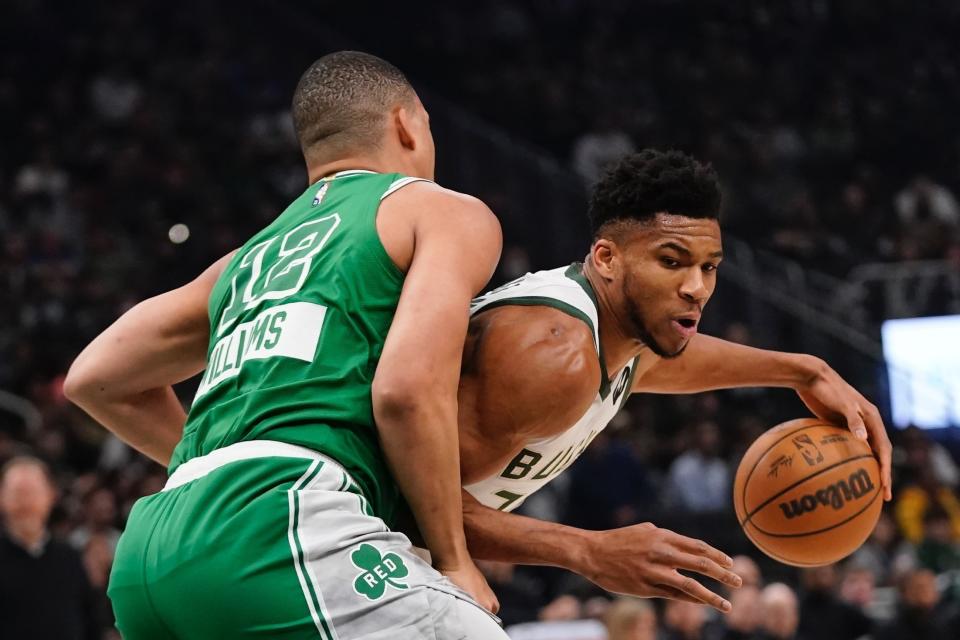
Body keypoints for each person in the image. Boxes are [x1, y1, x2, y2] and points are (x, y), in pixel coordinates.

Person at [65, 51, 507, 639]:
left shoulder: (244, 260)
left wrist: (222, 469)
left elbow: (93, 378)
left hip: (152, 547)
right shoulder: (441, 210)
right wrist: (454, 559)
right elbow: (405, 389)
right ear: (407, 123)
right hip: (281, 523)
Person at [452, 150, 892, 613]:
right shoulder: (555, 358)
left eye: (709, 266)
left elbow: (660, 363)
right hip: (377, 539)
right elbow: (401, 493)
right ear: (606, 258)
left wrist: (805, 370)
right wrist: (587, 551)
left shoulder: (614, 332)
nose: (696, 287)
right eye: (671, 261)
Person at [0, 456, 102, 640]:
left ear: (51, 495)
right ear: (2, 497)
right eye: (17, 493)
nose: (26, 503)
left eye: (31, 492)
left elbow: (92, 624)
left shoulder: (70, 558)